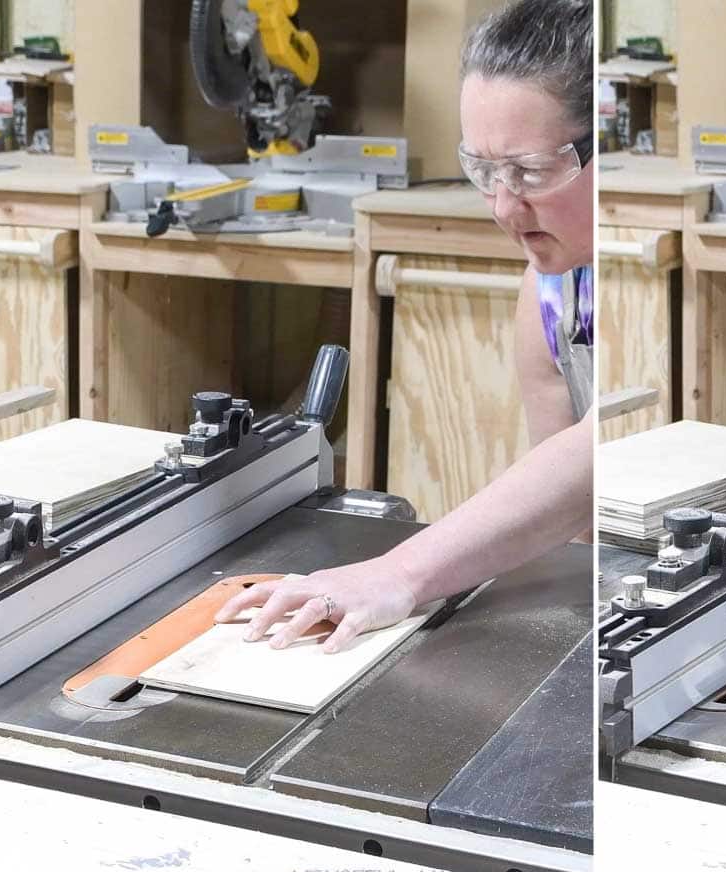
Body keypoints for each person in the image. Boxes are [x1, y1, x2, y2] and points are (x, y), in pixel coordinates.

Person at [215, 0, 594, 653]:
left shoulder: (647, 275)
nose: (505, 207)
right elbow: (572, 513)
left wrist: (397, 574)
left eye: (529, 172)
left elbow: (604, 447)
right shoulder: (547, 290)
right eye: (483, 171)